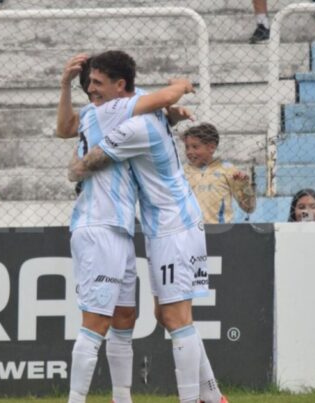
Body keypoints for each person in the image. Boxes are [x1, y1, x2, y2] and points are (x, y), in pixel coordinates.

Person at [69, 87, 227, 403]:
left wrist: (75, 170)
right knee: (167, 314)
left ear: (120, 87)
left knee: (176, 317)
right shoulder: (143, 112)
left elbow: (88, 162)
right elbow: (158, 104)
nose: (94, 96)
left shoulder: (134, 125)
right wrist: (170, 111)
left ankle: (196, 399)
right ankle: (213, 396)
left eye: (99, 85)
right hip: (164, 225)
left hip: (174, 226)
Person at [57, 50, 196, 403]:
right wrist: (180, 87)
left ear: (119, 86)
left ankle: (122, 398)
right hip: (98, 224)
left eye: (96, 83)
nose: (90, 90)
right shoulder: (111, 110)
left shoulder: (100, 112)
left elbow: (65, 129)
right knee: (96, 322)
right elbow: (161, 97)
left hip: (118, 227)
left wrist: (170, 118)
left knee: (124, 316)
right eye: (87, 84)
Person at [182, 123, 256, 224]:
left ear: (211, 147)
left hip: (219, 231)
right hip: (190, 231)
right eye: (187, 147)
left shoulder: (228, 170)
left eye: (195, 147)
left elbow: (249, 208)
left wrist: (244, 186)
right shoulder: (182, 172)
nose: (189, 152)